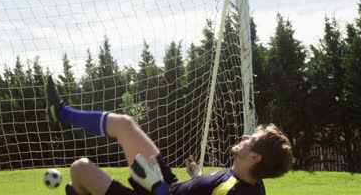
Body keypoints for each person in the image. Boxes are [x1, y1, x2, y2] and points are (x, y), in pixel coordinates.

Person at [45, 75, 294, 195]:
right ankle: (61, 113)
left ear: (255, 157)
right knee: (125, 125)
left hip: (160, 191)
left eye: (251, 139)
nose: (244, 137)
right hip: (168, 185)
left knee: (80, 169)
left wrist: (157, 188)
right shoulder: (247, 181)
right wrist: (197, 178)